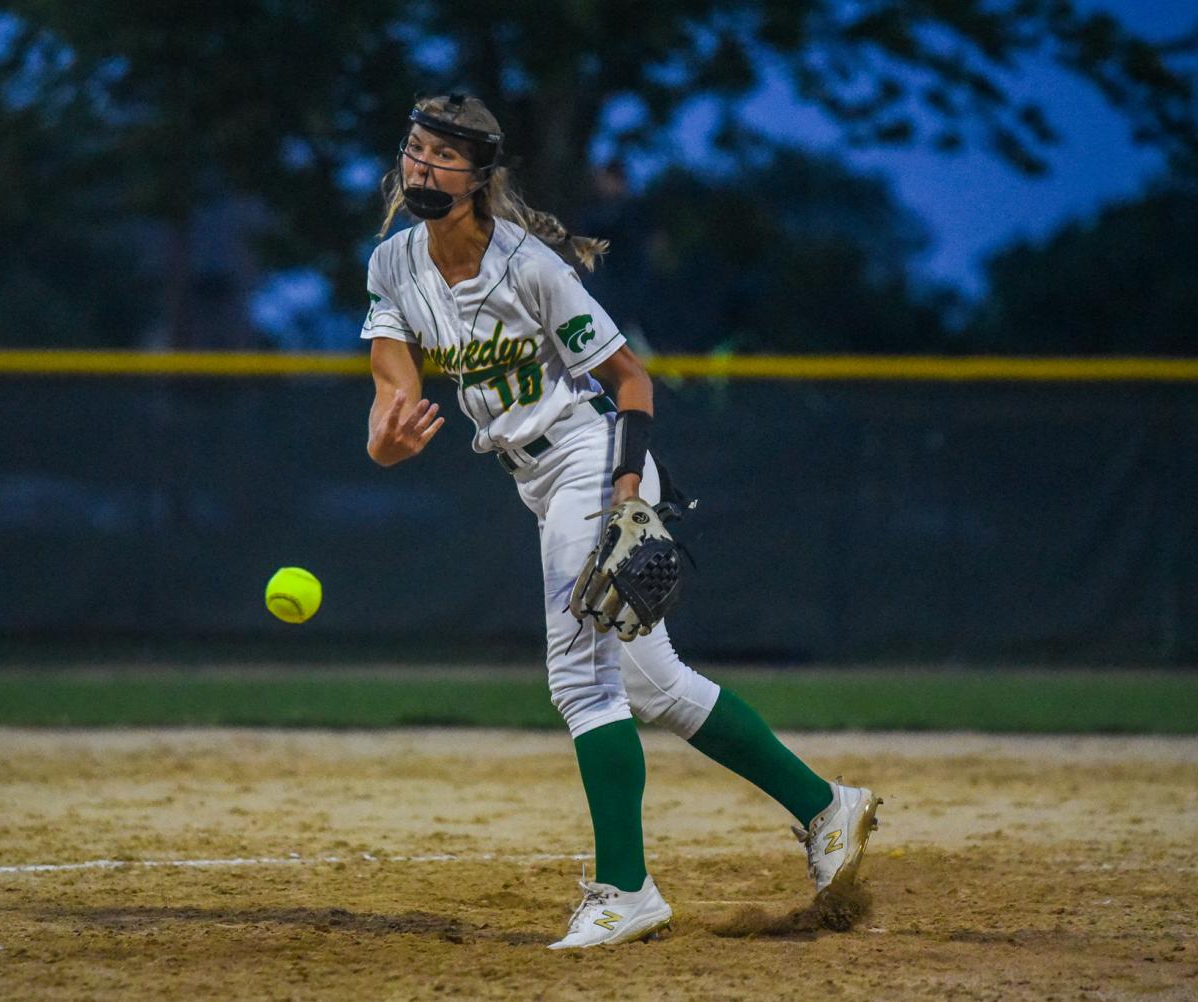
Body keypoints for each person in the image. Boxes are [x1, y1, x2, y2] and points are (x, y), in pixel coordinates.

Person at [361, 93, 879, 949]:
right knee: (655, 685)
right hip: (533, 478)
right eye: (415, 147)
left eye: (445, 155)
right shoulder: (393, 266)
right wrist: (387, 442)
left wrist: (627, 491)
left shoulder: (529, 265)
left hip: (590, 460)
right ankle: (828, 808)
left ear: (480, 176)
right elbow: (393, 404)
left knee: (578, 678)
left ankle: (625, 888)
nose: (423, 165)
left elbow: (632, 383)